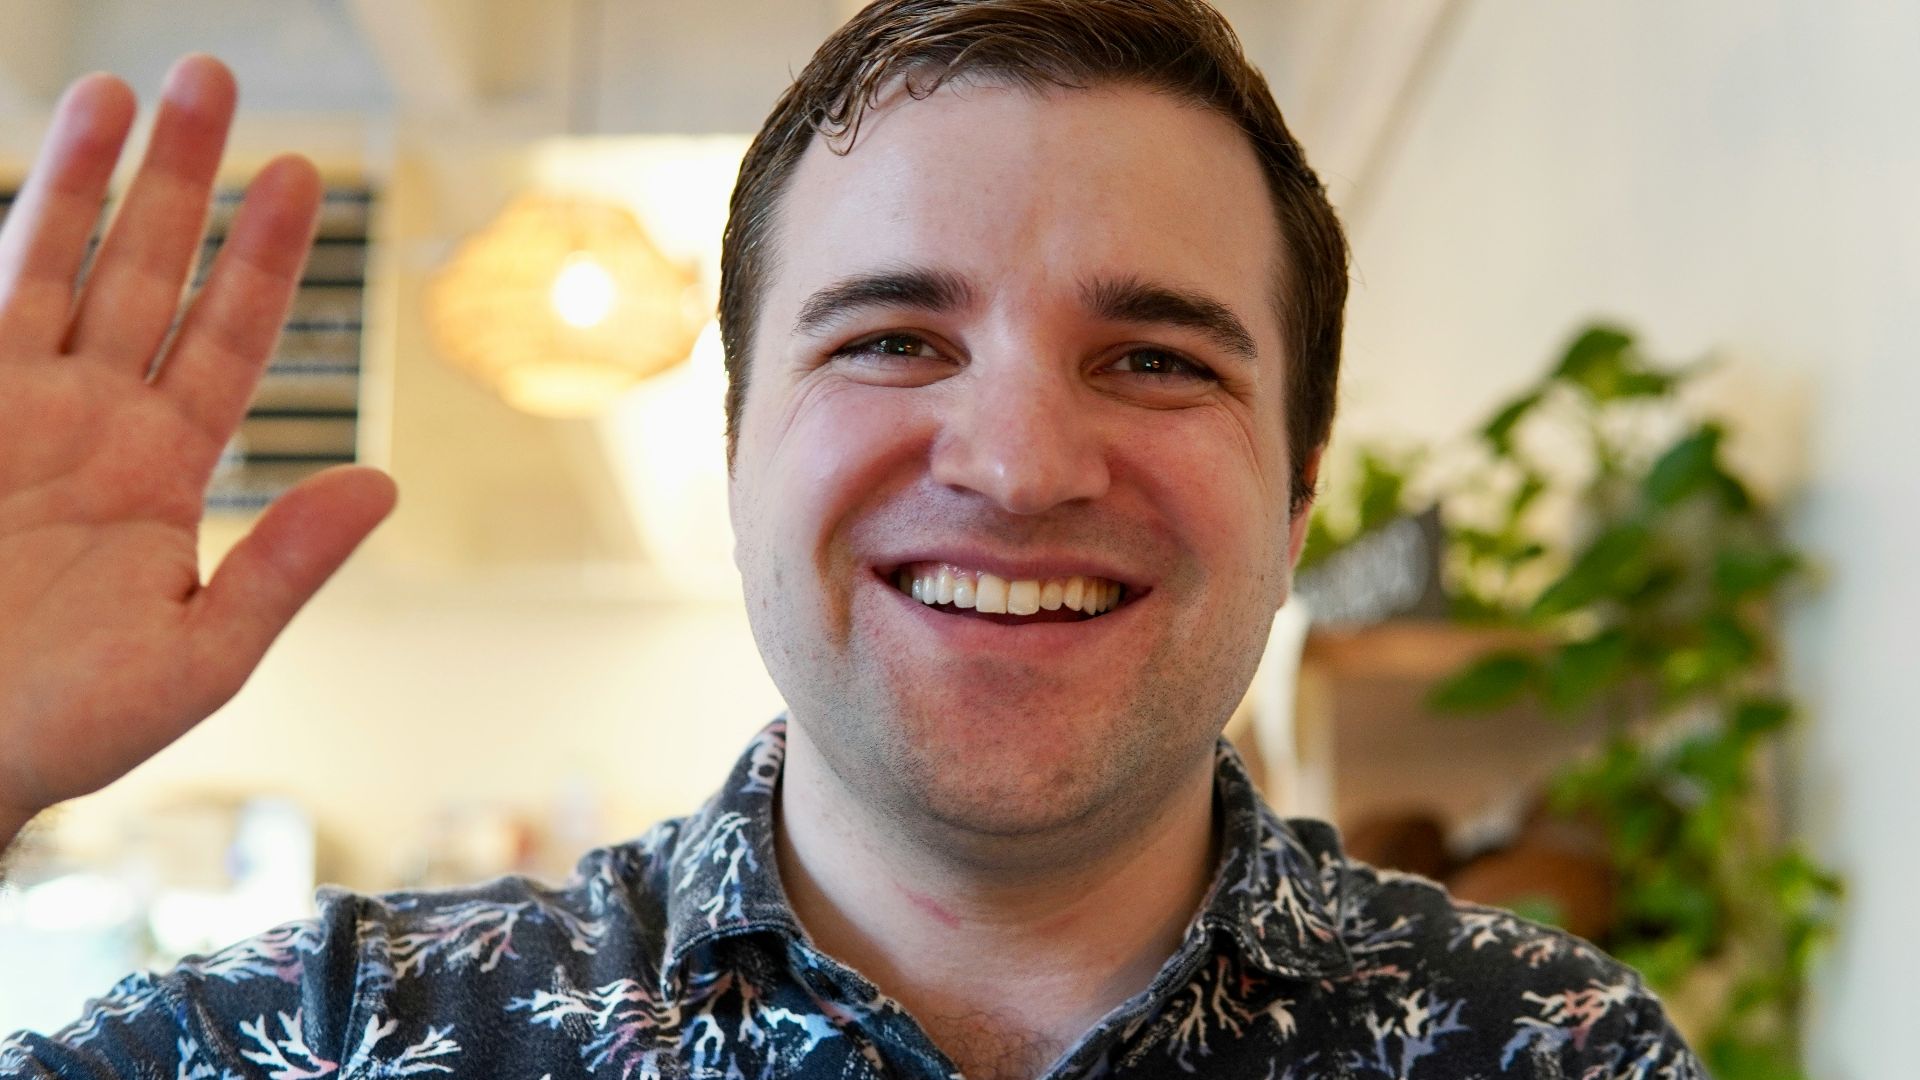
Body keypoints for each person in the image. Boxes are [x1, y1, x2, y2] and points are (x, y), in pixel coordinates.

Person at [0, 2, 1704, 1077]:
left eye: (1158, 359)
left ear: (1299, 482)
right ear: (740, 444)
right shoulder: (322, 1042)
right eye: (893, 337)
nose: (1022, 461)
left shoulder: (1546, 1050)